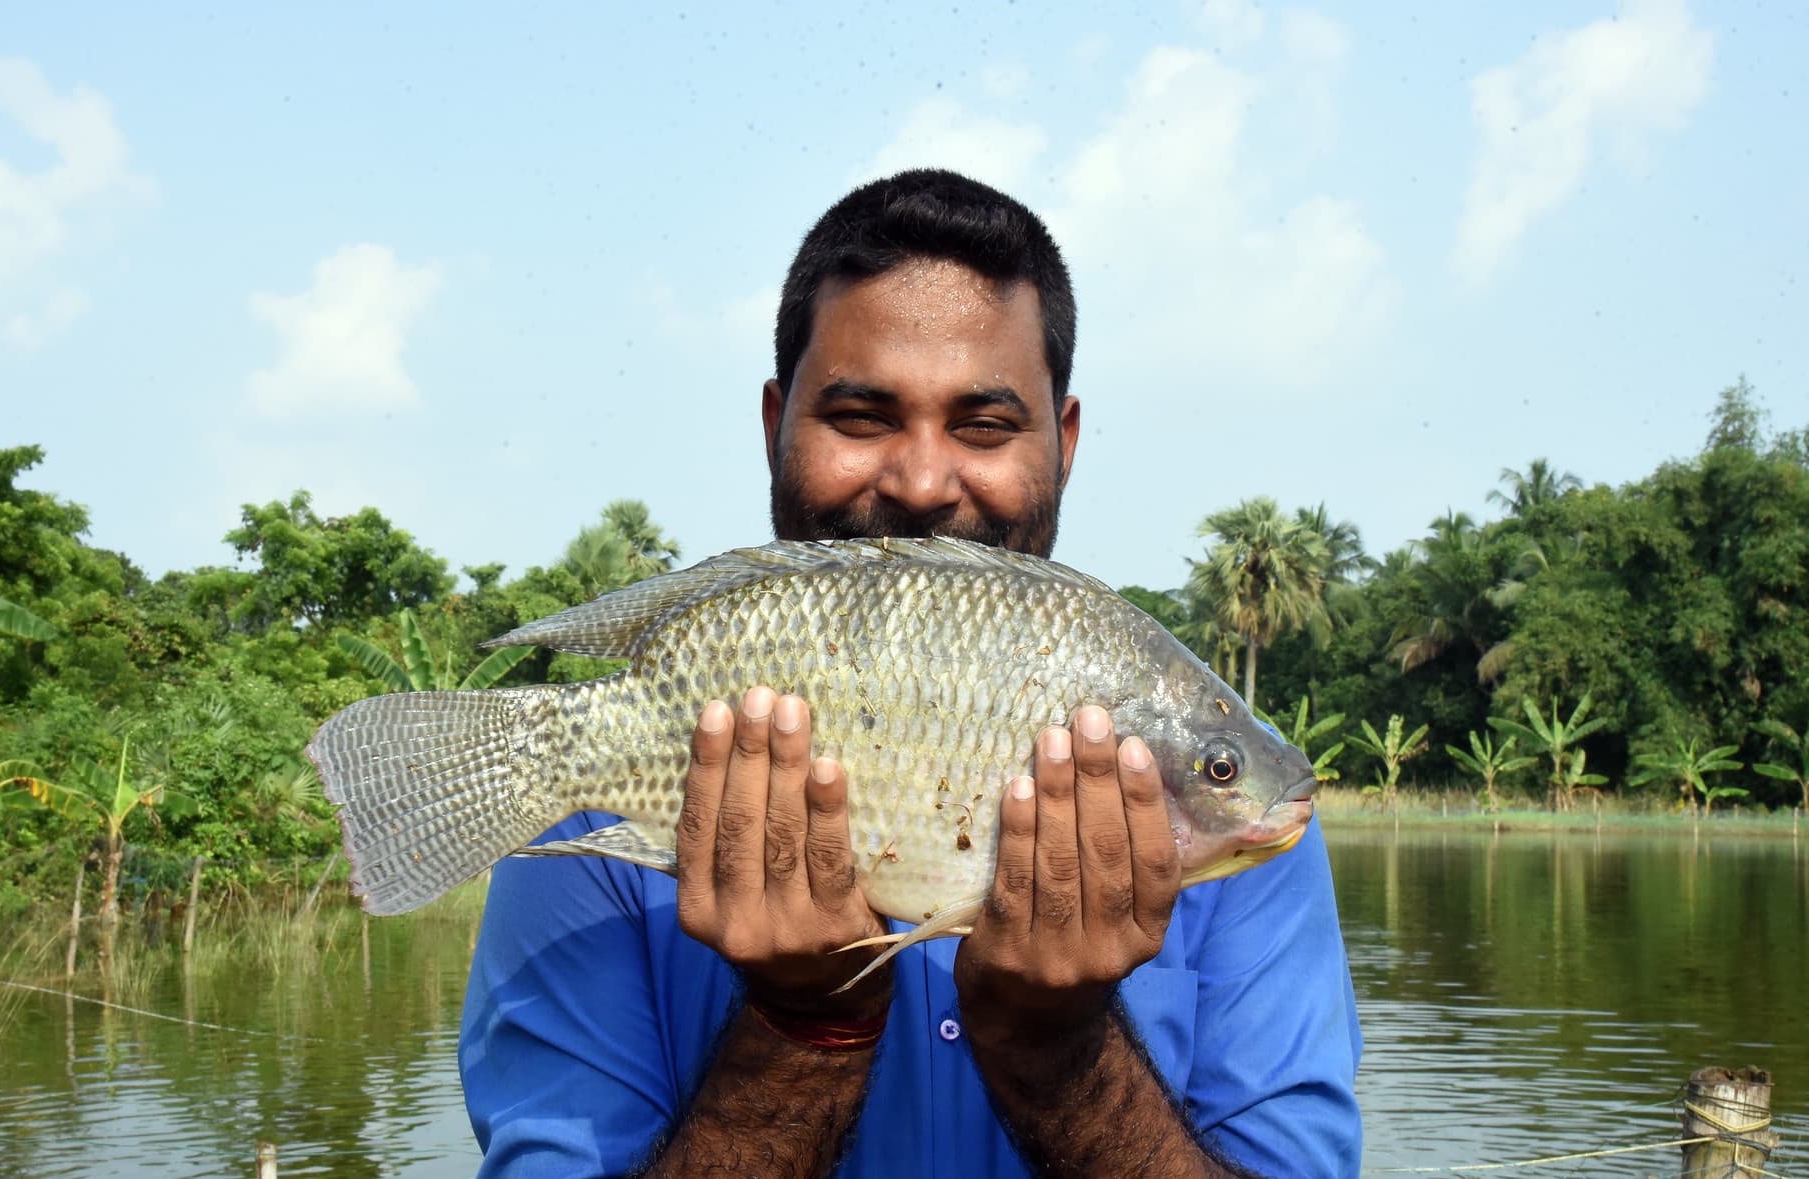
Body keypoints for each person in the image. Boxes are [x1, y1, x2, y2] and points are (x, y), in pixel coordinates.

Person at [460, 169, 1362, 1177]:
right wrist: (805, 1030)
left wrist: (1055, 1050)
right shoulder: (573, 820)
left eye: (983, 426)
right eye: (859, 417)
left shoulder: (1244, 845)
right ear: (774, 426)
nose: (923, 483)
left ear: (1061, 444)